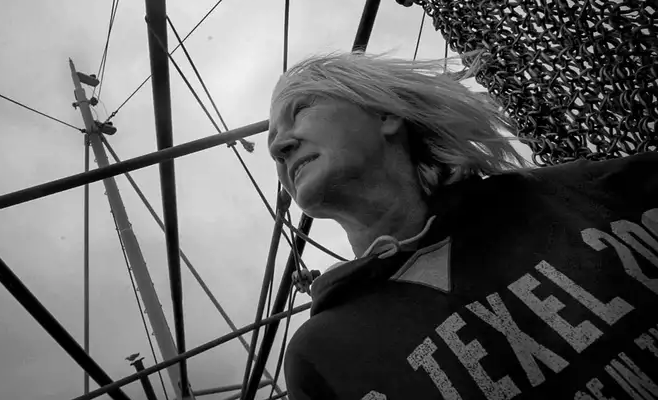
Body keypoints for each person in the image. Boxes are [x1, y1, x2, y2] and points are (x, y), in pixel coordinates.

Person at [267, 51, 658, 400]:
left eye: (299, 110)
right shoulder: (320, 359)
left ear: (385, 116)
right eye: (272, 141)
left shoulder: (577, 194)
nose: (277, 147)